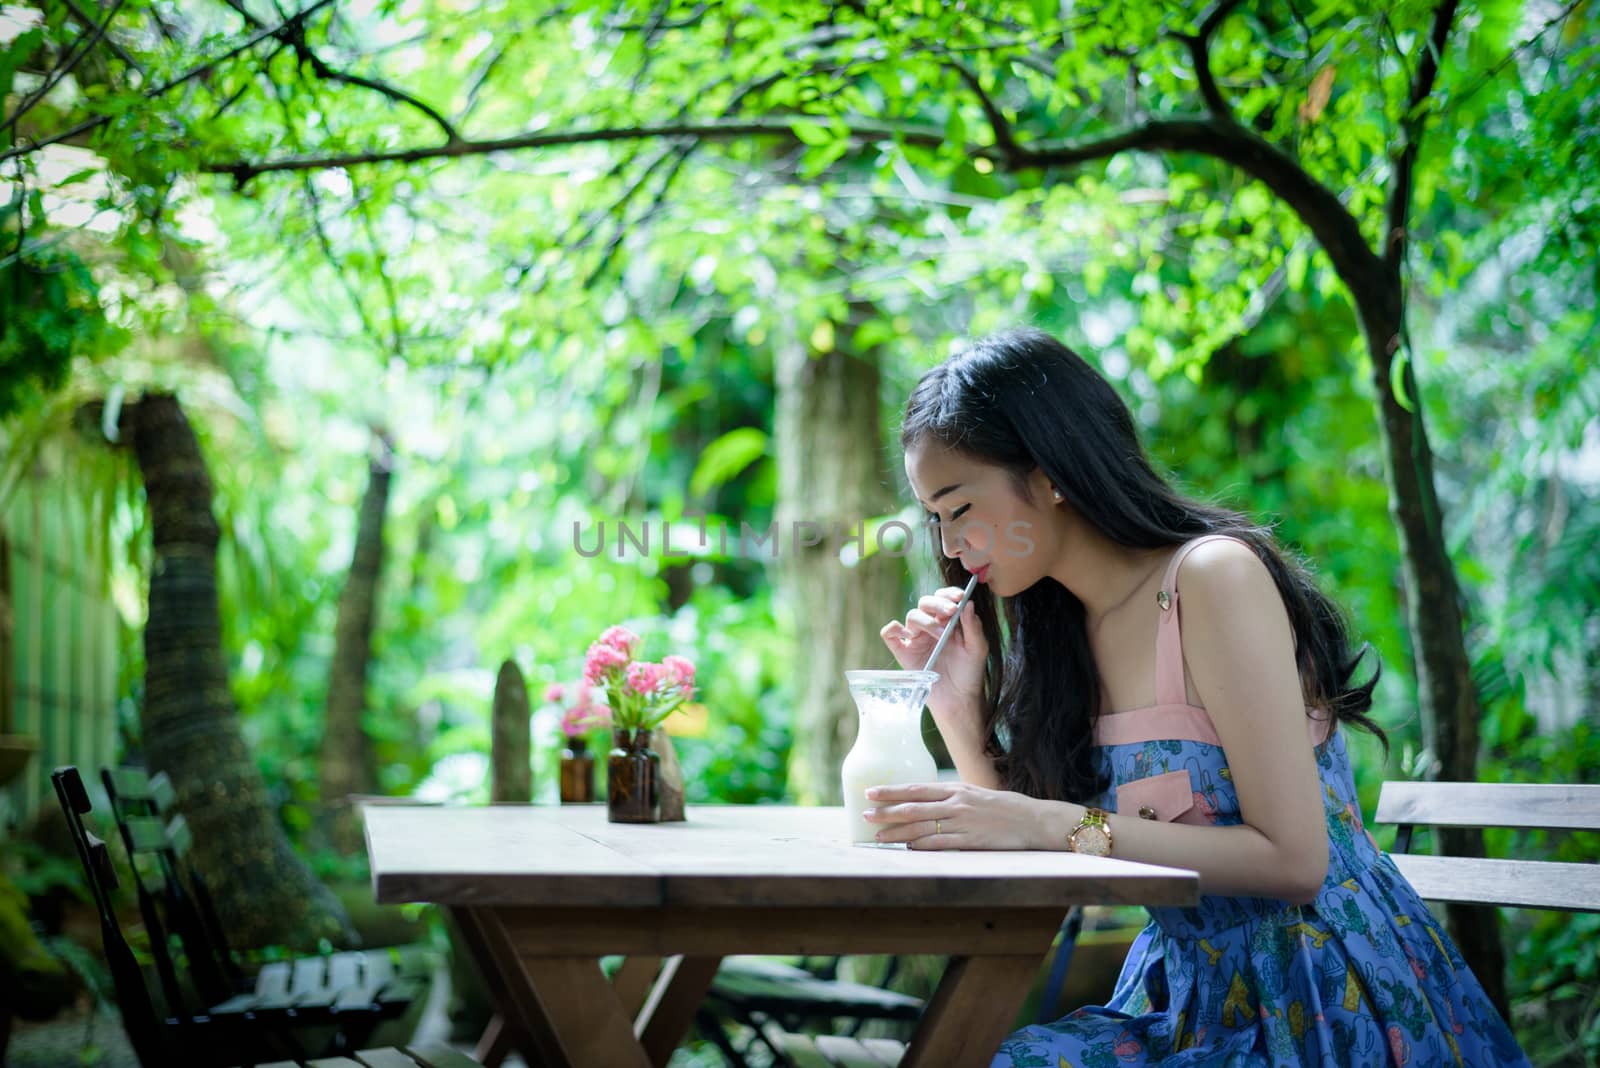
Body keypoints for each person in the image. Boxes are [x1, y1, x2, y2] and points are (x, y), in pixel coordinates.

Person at [868, 327, 1529, 1066]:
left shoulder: (1210, 580)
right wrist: (956, 708)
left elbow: (1294, 861)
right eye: (935, 518)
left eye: (958, 507)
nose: (951, 546)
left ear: (1049, 471)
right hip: (1188, 1001)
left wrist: (1055, 823)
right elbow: (1027, 841)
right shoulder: (1062, 632)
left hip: (1324, 1000)